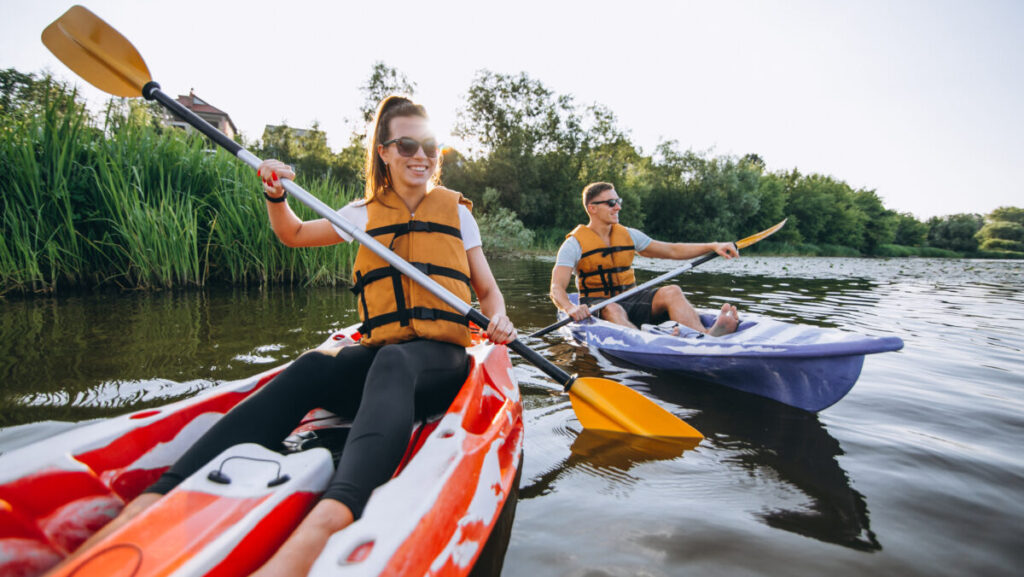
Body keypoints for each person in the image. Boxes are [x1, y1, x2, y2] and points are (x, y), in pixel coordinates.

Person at [60, 96, 517, 577]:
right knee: (317, 364)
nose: (420, 155)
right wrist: (275, 197)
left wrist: (500, 319)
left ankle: (329, 518)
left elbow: (487, 292)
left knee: (394, 363)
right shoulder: (360, 214)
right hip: (386, 355)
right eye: (407, 144)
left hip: (440, 362)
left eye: (429, 145)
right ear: (384, 151)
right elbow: (294, 234)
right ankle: (160, 494)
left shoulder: (457, 213)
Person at [549, 181, 741, 336]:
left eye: (618, 201)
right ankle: (652, 341)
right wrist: (569, 307)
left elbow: (672, 251)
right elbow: (556, 288)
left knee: (672, 291)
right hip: (600, 305)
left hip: (632, 299)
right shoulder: (574, 244)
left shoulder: (629, 235)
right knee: (612, 309)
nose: (618, 207)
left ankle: (704, 336)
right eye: (610, 203)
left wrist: (713, 246)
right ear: (592, 208)